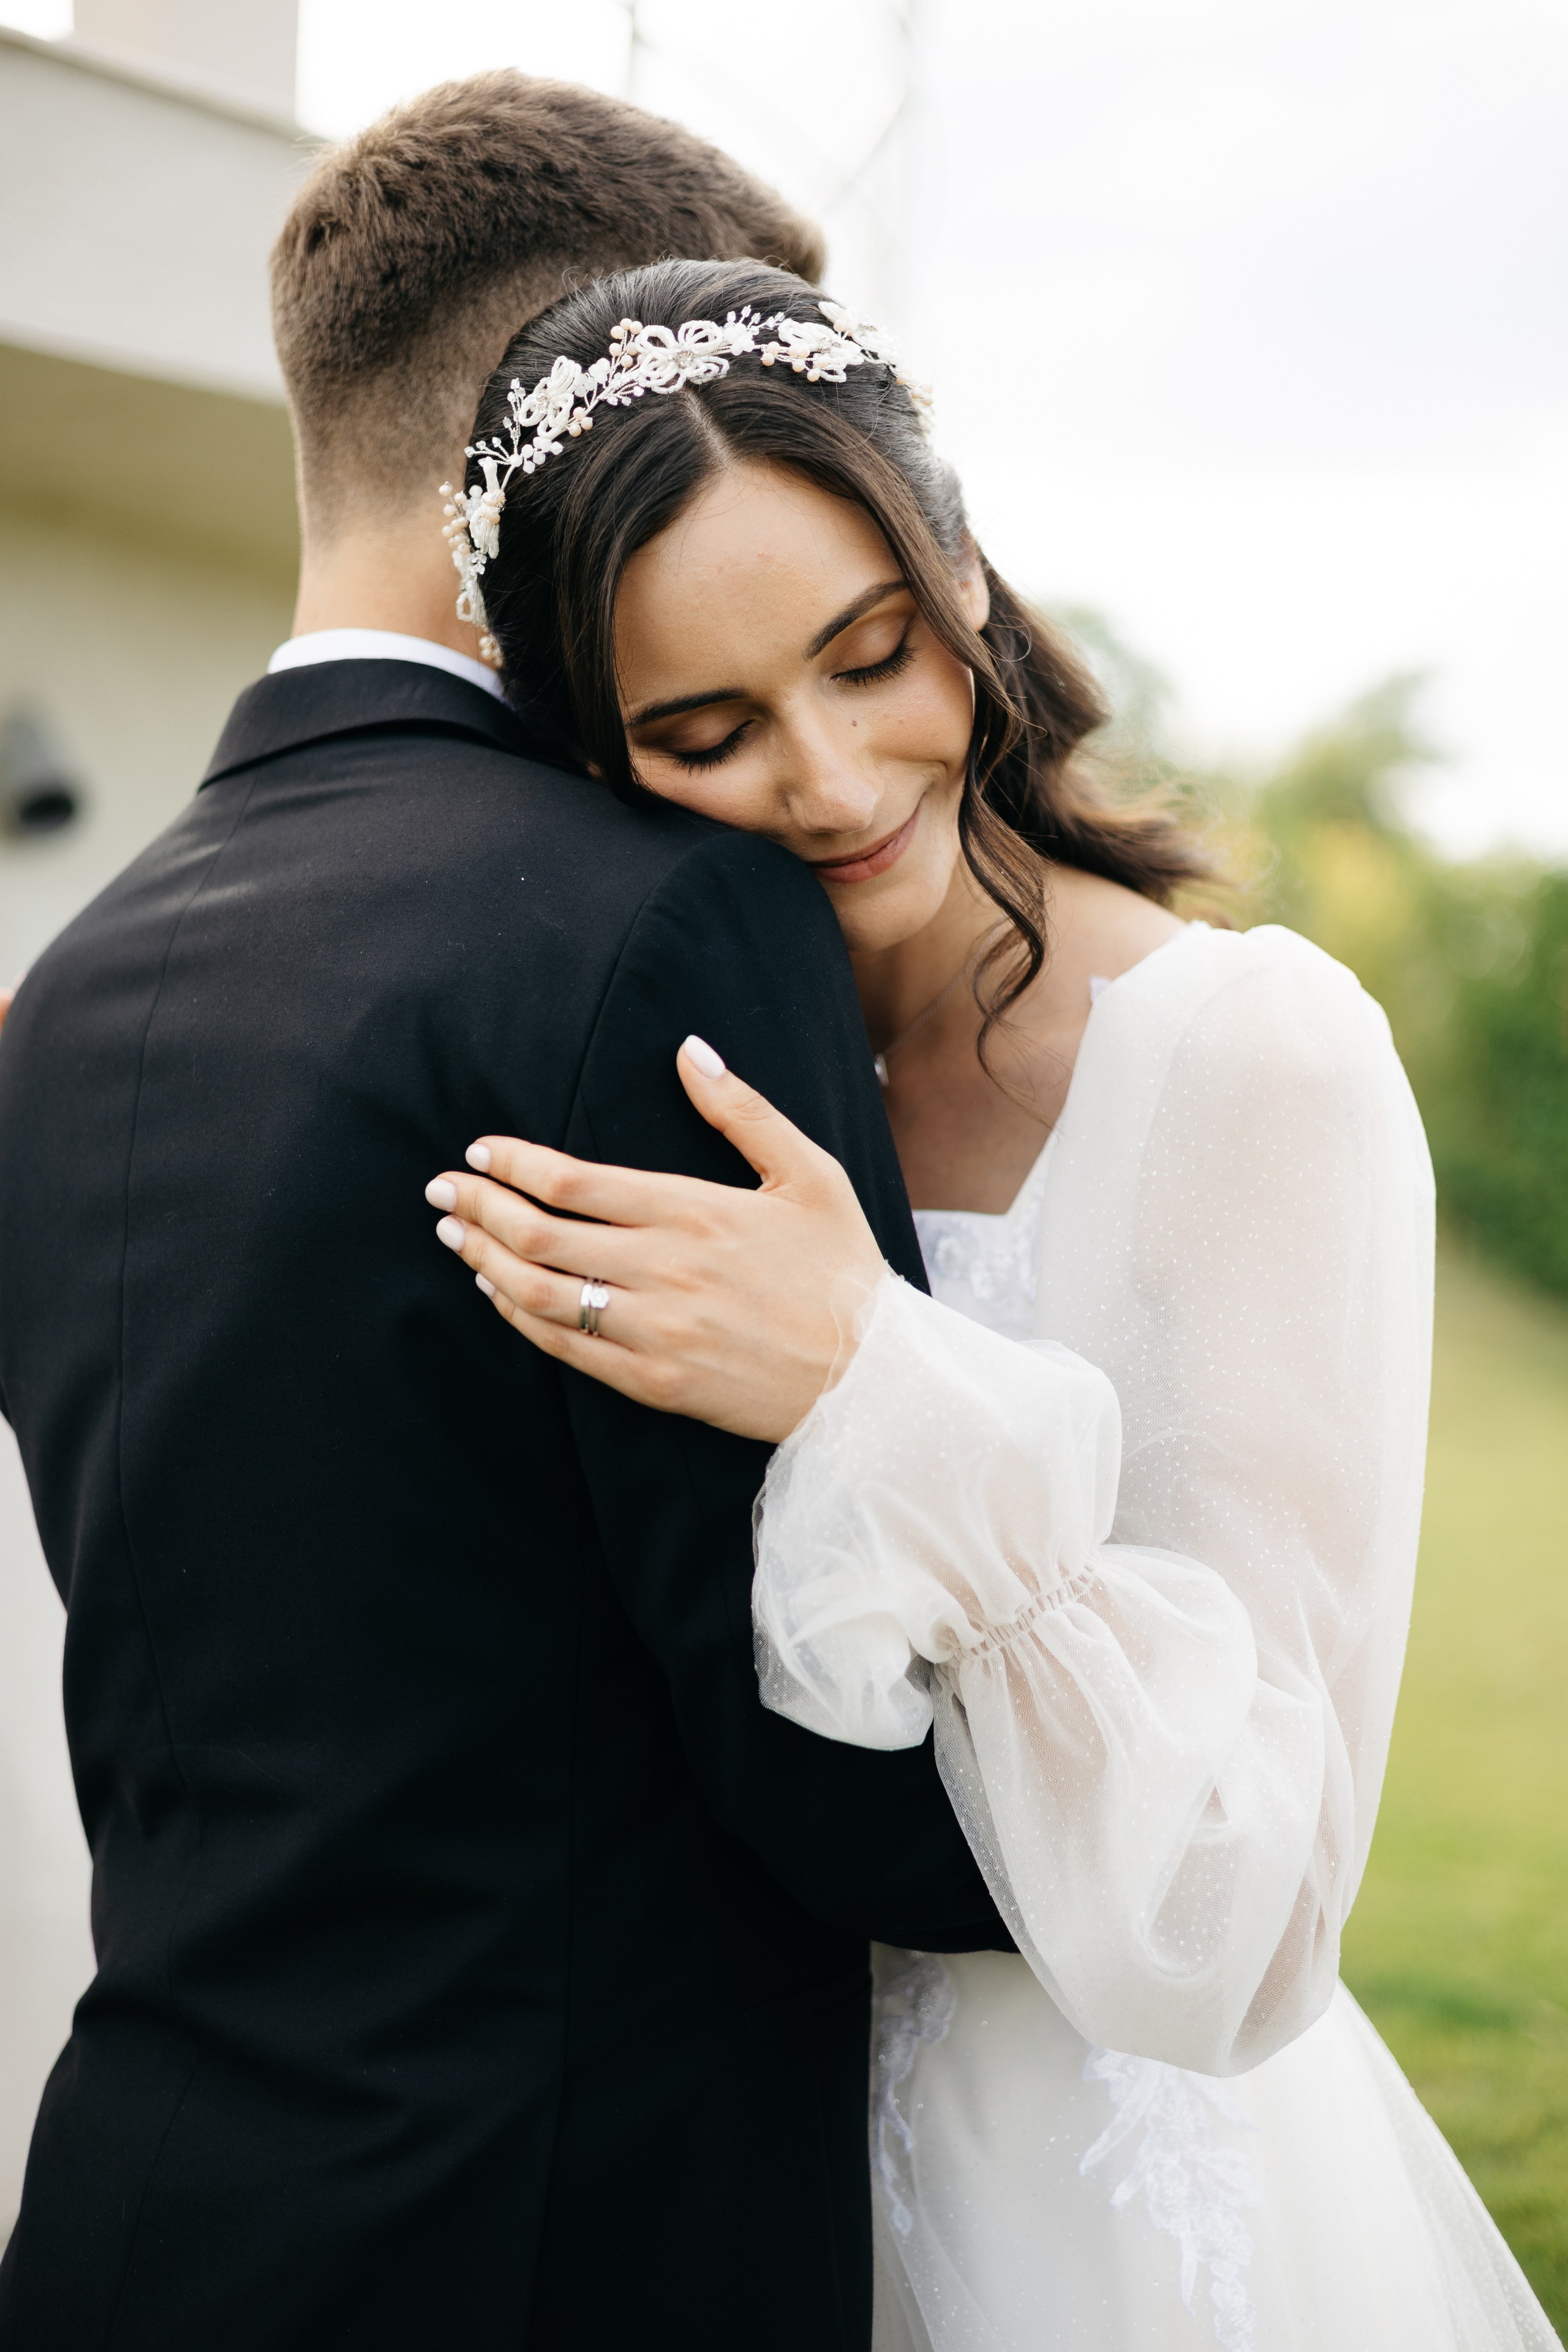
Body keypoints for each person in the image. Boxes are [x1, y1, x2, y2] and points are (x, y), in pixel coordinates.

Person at [426, 257, 1563, 2352]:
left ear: (963, 573)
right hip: (710, 2172)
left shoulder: (1251, 1063)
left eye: (873, 657)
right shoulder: (628, 1077)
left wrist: (874, 1374)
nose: (837, 778)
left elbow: (1253, 1900)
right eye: (705, 731)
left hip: (1117, 2199)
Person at [0, 85, 1010, 2351]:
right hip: (556, 2255)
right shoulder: (661, 926)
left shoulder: (69, 990)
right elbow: (849, 1799)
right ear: (578, 433)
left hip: (126, 2228)